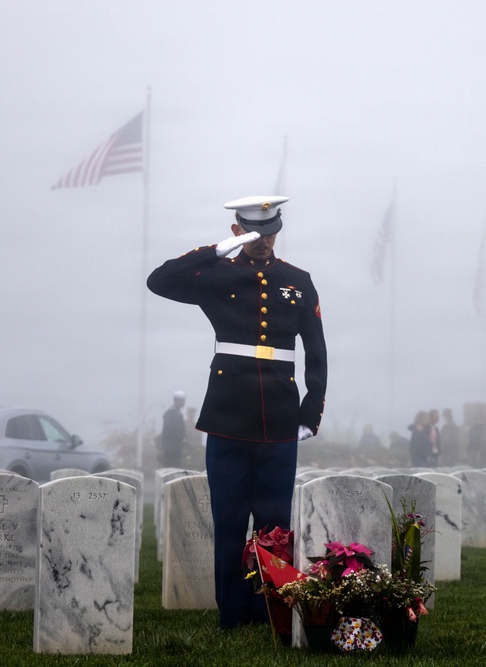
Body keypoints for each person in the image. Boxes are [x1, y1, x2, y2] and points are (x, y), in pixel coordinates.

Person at [146, 195, 327, 630]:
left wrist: (310, 412)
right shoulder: (216, 275)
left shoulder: (297, 281)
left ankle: (271, 610)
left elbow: (316, 351)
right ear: (237, 232)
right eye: (252, 233)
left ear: (278, 232)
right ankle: (232, 613)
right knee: (228, 522)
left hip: (281, 420)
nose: (262, 241)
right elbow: (158, 281)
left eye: (268, 233)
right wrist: (212, 252)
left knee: (274, 524)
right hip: (227, 417)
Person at [157, 390, 187, 468]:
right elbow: (169, 431)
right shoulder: (171, 413)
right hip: (171, 447)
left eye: (183, 400)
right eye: (180, 400)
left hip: (176, 446)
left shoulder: (178, 413)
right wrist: (179, 438)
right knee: (171, 466)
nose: (182, 402)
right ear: (175, 400)